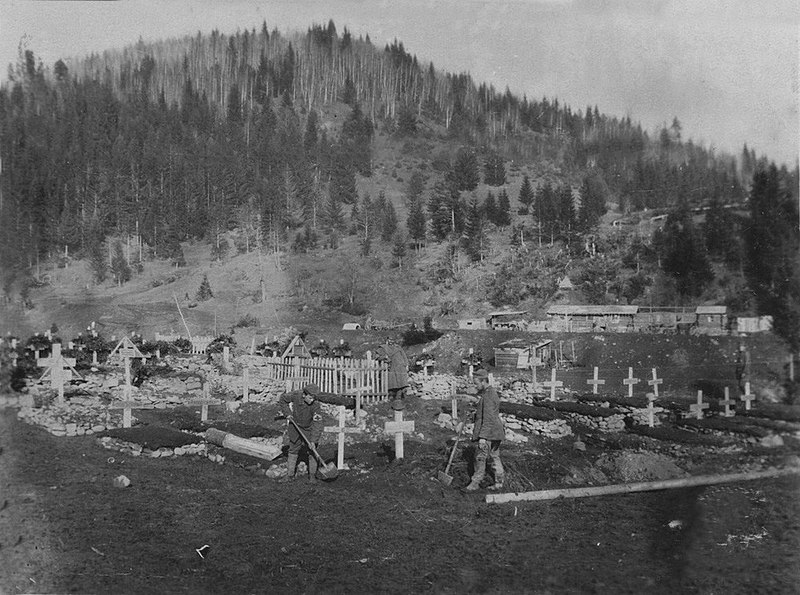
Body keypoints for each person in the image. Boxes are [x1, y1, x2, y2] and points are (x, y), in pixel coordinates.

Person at [465, 368, 505, 492]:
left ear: (483, 381)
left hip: (489, 434)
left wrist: (482, 437)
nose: (475, 386)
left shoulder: (487, 396)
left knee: (480, 457)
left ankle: (475, 483)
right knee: (495, 457)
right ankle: (499, 483)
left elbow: (488, 419)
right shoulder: (491, 393)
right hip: (496, 432)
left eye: (476, 383)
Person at [279, 383, 324, 482]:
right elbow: (283, 399)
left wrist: (313, 440)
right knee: (293, 449)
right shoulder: (296, 395)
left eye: (314, 398)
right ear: (304, 394)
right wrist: (288, 414)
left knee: (312, 450)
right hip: (295, 426)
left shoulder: (316, 405)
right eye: (310, 397)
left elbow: (318, 424)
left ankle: (312, 476)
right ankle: (290, 475)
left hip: (309, 428)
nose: (312, 400)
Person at [378, 337, 410, 403]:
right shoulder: (383, 348)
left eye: (392, 340)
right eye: (389, 340)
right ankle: (391, 396)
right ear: (387, 340)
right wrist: (385, 357)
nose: (391, 341)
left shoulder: (398, 347)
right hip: (391, 367)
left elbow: (404, 356)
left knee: (401, 382)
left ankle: (399, 396)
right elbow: (377, 357)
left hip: (400, 367)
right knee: (392, 382)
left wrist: (406, 365)